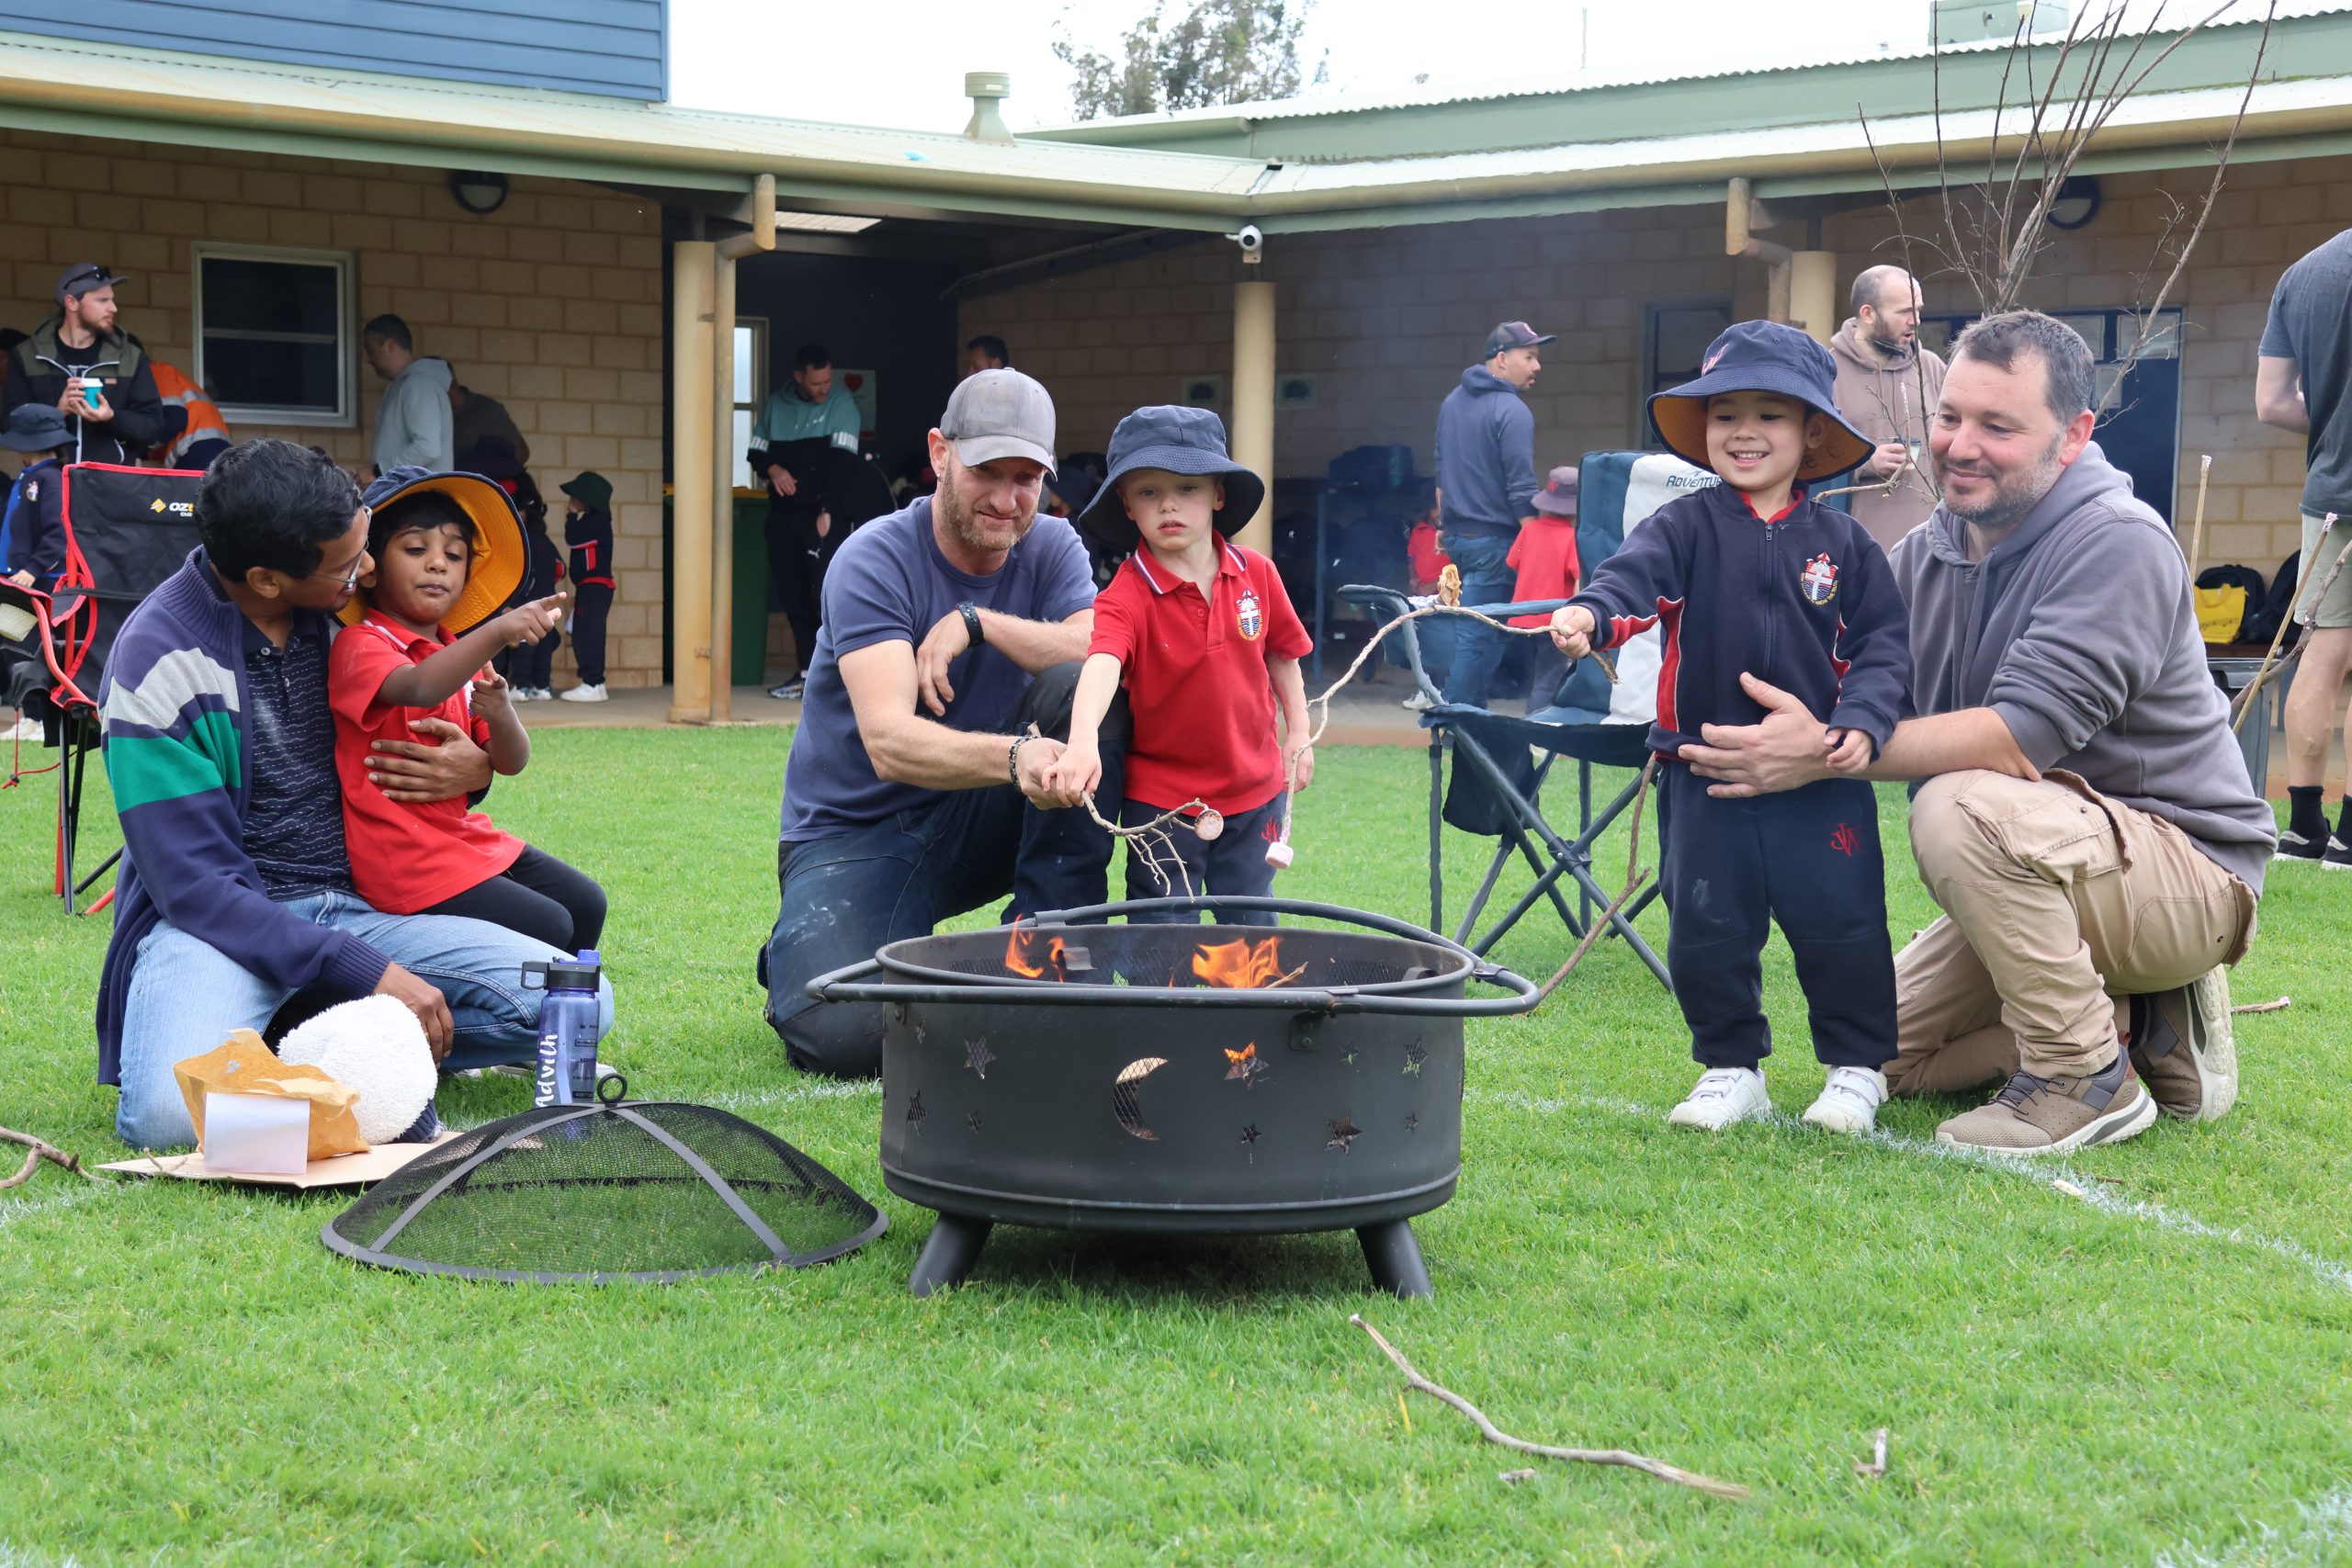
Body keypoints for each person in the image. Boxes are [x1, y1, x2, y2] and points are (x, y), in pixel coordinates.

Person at [1681, 310, 2275, 1154]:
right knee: (1877, 1055)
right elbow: (1830, 679)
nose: (1961, 445)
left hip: (2186, 870)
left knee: (1956, 804)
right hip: (2041, 861)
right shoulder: (1924, 556)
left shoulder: (2119, 543)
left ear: (2071, 436)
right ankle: (2132, 1023)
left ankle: (2081, 1076)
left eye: (1999, 426)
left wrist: (1817, 754)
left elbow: (2017, 739)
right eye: (1950, 416)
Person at [94, 438, 611, 1148]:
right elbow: (195, 890)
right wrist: (363, 970)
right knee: (162, 1111)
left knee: (581, 1003)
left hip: (362, 905)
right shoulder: (155, 664)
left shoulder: (341, 612)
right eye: (347, 563)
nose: (368, 570)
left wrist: (477, 769)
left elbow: (423, 719)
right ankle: (323, 1041)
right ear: (268, 579)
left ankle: (300, 1042)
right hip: (222, 928)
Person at [1550, 321, 1908, 1135]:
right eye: (1724, 413)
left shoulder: (1847, 546)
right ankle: (1729, 1067)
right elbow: (1628, 583)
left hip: (1820, 781)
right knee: (1707, 923)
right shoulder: (1683, 527)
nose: (1744, 432)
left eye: (1769, 414)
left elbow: (1884, 647)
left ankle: (1855, 1071)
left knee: (1844, 923)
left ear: (1812, 432)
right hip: (1702, 774)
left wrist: (1860, 721)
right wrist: (1589, 614)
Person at [760, 368, 1118, 1077]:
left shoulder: (1052, 545)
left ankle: (1051, 950)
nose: (1008, 499)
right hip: (858, 833)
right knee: (843, 1033)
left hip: (977, 818)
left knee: (1088, 686)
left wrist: (978, 621)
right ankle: (804, 943)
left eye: (1027, 478)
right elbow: (889, 742)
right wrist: (1018, 759)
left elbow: (1100, 645)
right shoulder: (874, 558)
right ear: (938, 453)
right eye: (988, 471)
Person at [1049, 406, 1313, 920]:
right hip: (1163, 806)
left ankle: (1252, 1004)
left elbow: (1282, 653)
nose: (1169, 504)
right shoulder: (1124, 595)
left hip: (1254, 791)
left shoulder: (1257, 573)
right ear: (1126, 505)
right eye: (1149, 492)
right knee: (1162, 935)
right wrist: (1081, 743)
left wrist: (1298, 731)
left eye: (1187, 488)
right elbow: (1101, 662)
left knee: (1253, 929)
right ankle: (1162, 1002)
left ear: (1218, 495)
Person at [329, 468, 601, 953]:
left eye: (454, 555)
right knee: (550, 925)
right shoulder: (360, 643)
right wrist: (497, 631)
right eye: (416, 550)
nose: (438, 565)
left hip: (460, 839)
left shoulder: (461, 651)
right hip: (404, 859)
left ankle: (572, 1011)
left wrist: (500, 713)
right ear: (372, 564)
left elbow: (511, 761)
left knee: (586, 903)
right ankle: (526, 1015)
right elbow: (415, 685)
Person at [2256, 227, 2352, 864]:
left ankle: (2302, 827)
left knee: (2321, 652)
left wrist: (2334, 420)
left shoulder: (2304, 272)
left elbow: (2270, 403)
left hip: (2327, 495)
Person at [1433, 321, 1548, 708]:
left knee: (1476, 632)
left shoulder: (1451, 401)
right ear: (1502, 359)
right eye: (1529, 357)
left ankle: (1468, 716)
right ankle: (1458, 722)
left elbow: (1441, 467)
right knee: (1479, 635)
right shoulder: (1513, 411)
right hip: (1494, 543)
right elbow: (1521, 485)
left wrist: (1442, 522)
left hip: (1457, 538)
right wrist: (1536, 539)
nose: (1537, 367)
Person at [749, 343, 861, 700]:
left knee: (824, 596)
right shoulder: (777, 404)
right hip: (783, 516)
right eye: (816, 384)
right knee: (793, 596)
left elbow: (843, 463)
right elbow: (755, 450)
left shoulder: (841, 403)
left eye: (828, 381)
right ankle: (804, 674)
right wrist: (773, 468)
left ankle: (833, 679)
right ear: (799, 377)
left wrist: (827, 509)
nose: (824, 389)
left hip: (822, 516)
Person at [1829, 265, 1948, 554]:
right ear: (1868, 314)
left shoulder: (1931, 368)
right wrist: (1863, 463)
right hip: (1858, 553)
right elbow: (1804, 459)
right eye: (1905, 312)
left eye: (1918, 310)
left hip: (1932, 551)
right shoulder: (1827, 372)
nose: (1915, 322)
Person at [2, 265, 168, 467]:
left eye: (112, 299)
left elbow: (152, 429)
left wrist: (111, 418)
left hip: (111, 485)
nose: (113, 308)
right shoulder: (26, 356)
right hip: (49, 482)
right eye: (102, 300)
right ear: (72, 302)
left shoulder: (130, 358)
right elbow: (9, 425)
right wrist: (57, 413)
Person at [1509, 465, 1582, 712]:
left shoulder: (1529, 530)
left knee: (1535, 680)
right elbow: (1579, 580)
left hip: (1521, 620)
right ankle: (1537, 735)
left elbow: (1513, 563)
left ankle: (1534, 724)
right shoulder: (1572, 537)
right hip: (1553, 623)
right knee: (1547, 681)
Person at [362, 314, 454, 477]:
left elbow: (427, 448)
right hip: (407, 495)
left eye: (370, 350)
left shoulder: (419, 384)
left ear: (390, 345)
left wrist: (378, 471)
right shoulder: (401, 385)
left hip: (420, 498)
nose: (368, 360)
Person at [557, 470, 616, 703]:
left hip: (595, 586)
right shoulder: (592, 521)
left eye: (576, 496)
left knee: (587, 635)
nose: (571, 500)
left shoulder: (597, 522)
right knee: (586, 632)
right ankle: (596, 684)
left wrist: (571, 516)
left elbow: (572, 538)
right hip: (590, 586)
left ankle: (591, 683)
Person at [2, 405, 74, 589]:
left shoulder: (50, 477)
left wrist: (34, 568)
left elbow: (59, 530)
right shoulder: (32, 475)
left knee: (12, 619)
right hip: (20, 574)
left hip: (40, 578)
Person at [146, 360, 232, 472]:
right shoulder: (165, 373)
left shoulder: (153, 370)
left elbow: (175, 418)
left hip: (197, 449)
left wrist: (140, 445)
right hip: (216, 449)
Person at [449, 377, 529, 468]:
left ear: (450, 384)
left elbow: (522, 453)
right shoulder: (435, 411)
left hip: (484, 478)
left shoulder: (486, 410)